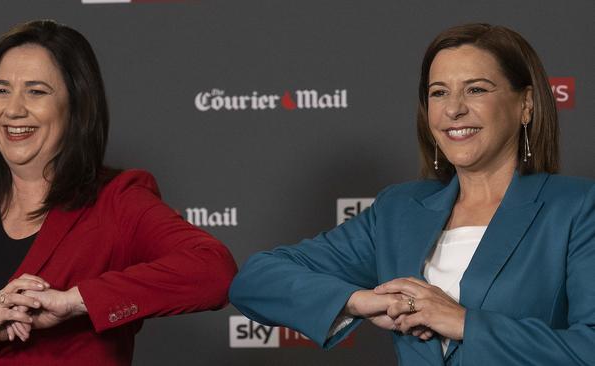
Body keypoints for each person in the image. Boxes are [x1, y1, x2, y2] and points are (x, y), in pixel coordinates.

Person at [229, 23, 595, 365]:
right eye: (439, 93)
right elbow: (256, 280)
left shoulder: (577, 208)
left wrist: (463, 322)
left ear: (526, 104)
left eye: (476, 89)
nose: (454, 109)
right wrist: (361, 302)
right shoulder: (399, 210)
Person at [0, 20, 238, 365]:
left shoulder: (117, 202)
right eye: (1, 90)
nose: (13, 110)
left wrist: (74, 301)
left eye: (36, 91)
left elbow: (213, 271)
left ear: (76, 107)